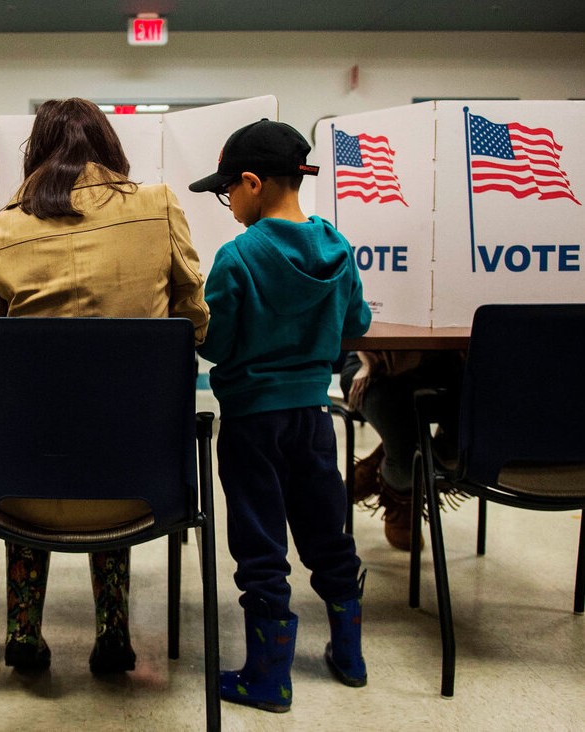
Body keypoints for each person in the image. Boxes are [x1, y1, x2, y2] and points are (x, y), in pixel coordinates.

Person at [0, 97, 209, 675]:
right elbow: (194, 320)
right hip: (140, 483)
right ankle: (113, 632)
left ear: (35, 153)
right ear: (109, 146)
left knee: (42, 426)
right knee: (113, 423)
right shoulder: (159, 207)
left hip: (19, 487)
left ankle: (23, 632)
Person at [189, 119, 372, 712]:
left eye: (228, 193)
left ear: (252, 184)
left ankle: (269, 677)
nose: (229, 205)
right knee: (328, 533)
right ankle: (349, 653)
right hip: (314, 418)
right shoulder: (338, 247)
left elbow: (214, 344)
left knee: (261, 543)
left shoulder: (239, 256)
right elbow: (355, 326)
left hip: (251, 424)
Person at [340, 349, 465, 550]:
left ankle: (385, 460)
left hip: (449, 366)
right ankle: (401, 498)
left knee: (463, 458)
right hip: (376, 366)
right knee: (406, 468)